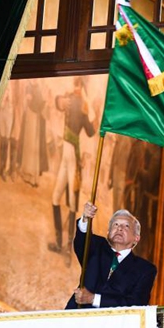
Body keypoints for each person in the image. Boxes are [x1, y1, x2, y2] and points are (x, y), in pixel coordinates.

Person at [65, 201, 157, 309]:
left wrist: (93, 299)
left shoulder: (145, 269)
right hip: (78, 317)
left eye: (126, 226)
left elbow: (137, 303)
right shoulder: (97, 247)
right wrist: (85, 219)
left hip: (116, 323)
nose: (119, 228)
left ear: (136, 238)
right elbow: (83, 241)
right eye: (116, 224)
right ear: (108, 232)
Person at [48, 77, 95, 265]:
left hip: (73, 155)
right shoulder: (74, 102)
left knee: (72, 203)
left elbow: (91, 132)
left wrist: (91, 114)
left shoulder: (81, 105)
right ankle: (61, 244)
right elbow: (59, 102)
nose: (76, 88)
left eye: (79, 85)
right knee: (56, 197)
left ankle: (68, 247)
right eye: (76, 84)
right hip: (67, 153)